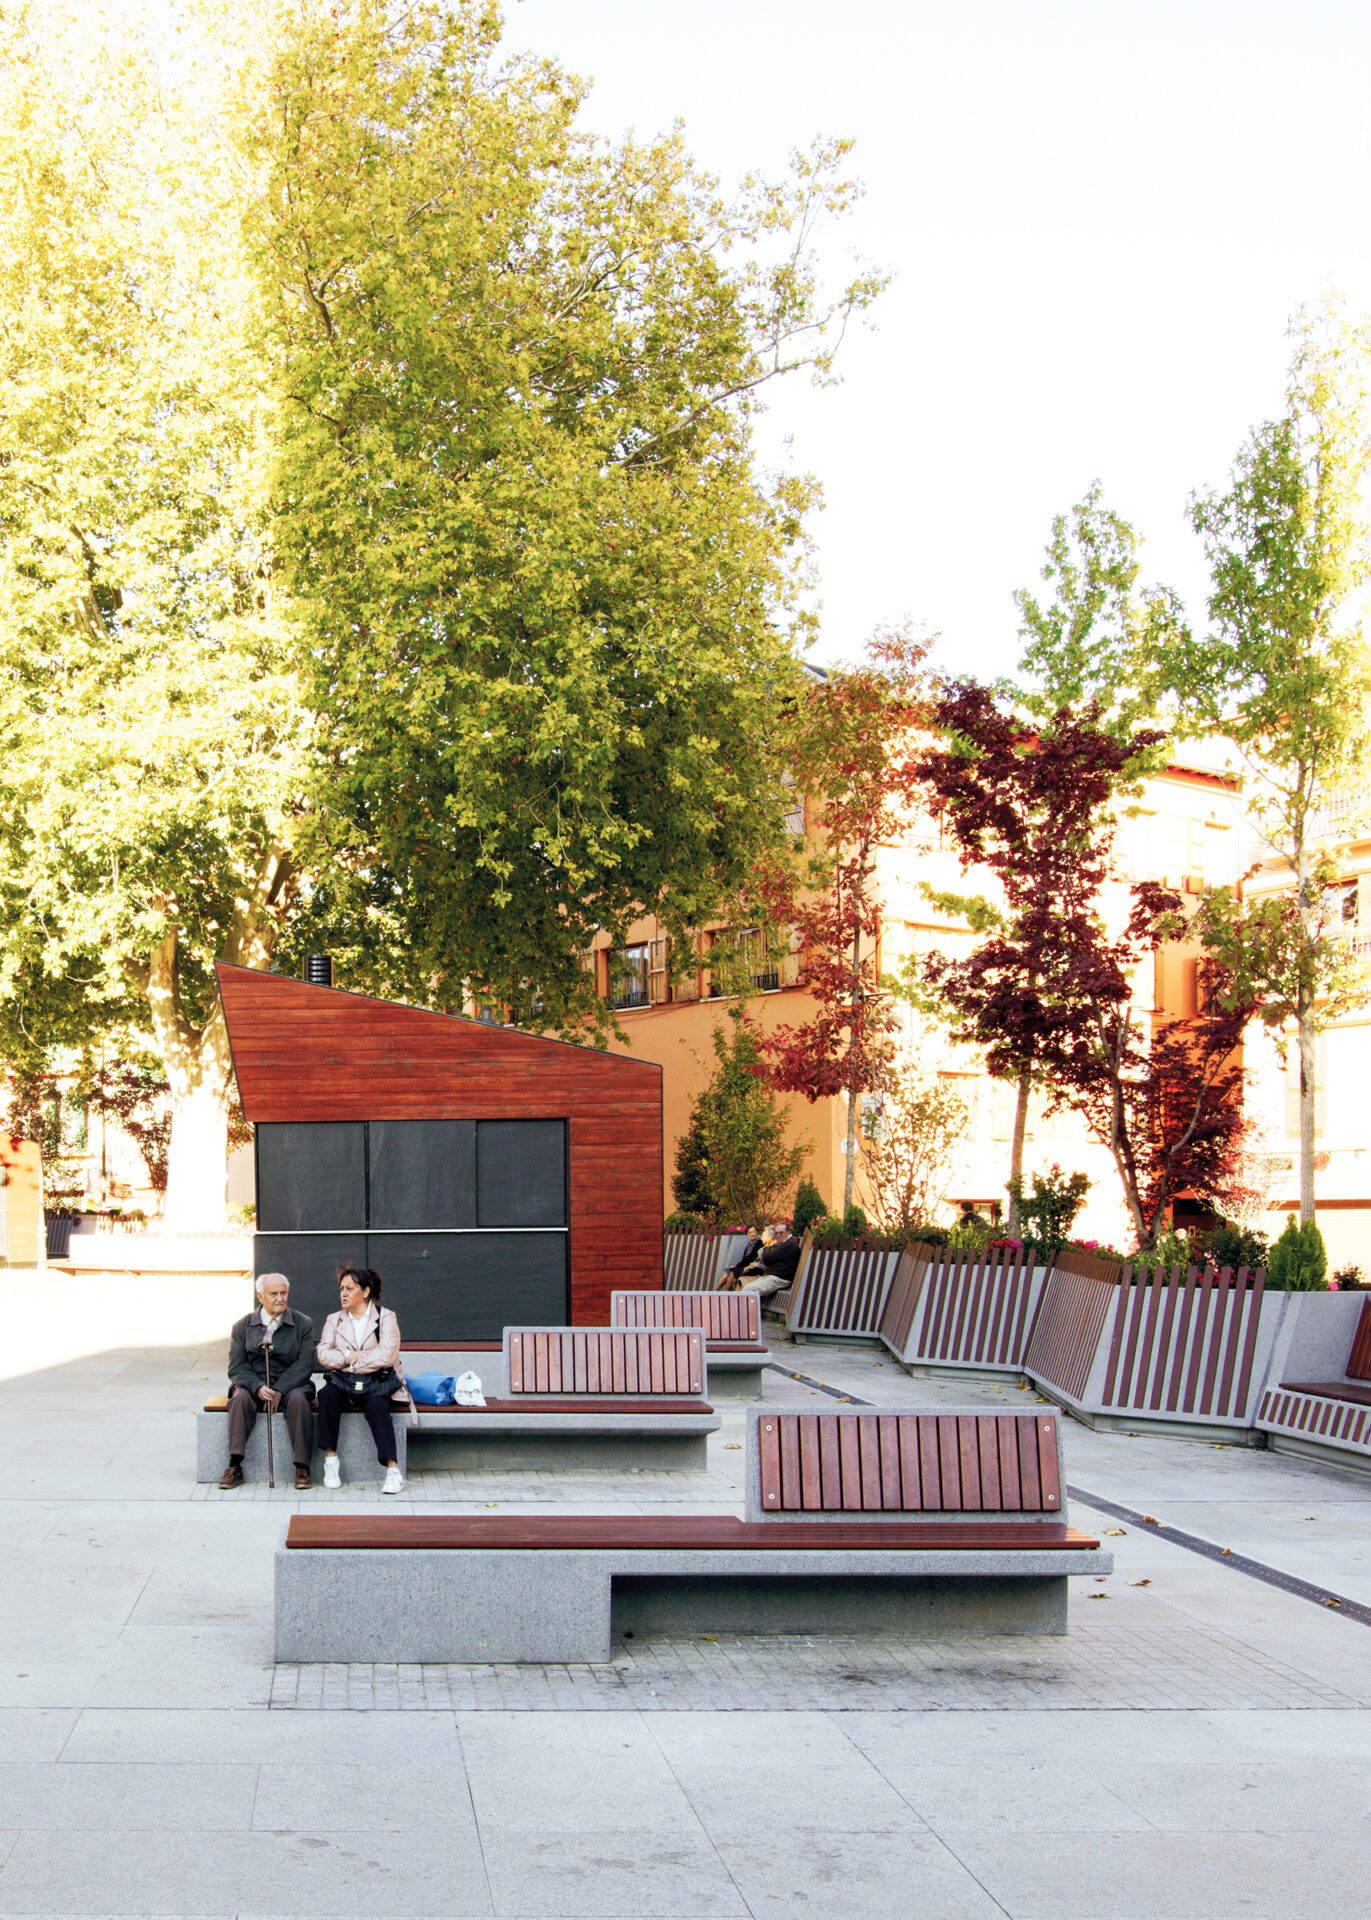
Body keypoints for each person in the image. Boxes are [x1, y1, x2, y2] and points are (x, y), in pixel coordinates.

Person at [220, 1272, 317, 1490]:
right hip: (255, 1382)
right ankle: (234, 1465)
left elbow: (304, 1365)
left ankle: (302, 1466)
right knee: (240, 1398)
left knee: (300, 1401)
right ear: (260, 1296)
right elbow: (236, 1367)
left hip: (292, 1383)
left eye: (284, 1293)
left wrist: (280, 1389)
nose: (280, 1298)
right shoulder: (242, 1326)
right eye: (273, 1294)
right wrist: (257, 1387)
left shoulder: (303, 1324)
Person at [316, 1266, 405, 1493]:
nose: (343, 1293)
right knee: (326, 1395)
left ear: (365, 1292)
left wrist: (354, 1363)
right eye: (341, 1289)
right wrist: (347, 1355)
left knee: (377, 1406)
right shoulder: (334, 1319)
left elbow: (387, 1355)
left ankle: (393, 1471)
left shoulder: (386, 1317)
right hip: (344, 1384)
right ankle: (331, 1461)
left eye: (349, 1288)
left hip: (377, 1382)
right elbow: (323, 1354)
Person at [740, 1222, 802, 1298]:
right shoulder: (783, 1243)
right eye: (776, 1233)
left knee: (749, 1289)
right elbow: (768, 1257)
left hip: (780, 1279)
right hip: (773, 1276)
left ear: (789, 1232)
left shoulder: (788, 1244)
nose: (778, 1236)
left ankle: (741, 1309)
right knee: (746, 1287)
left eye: (781, 1233)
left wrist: (766, 1248)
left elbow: (766, 1257)